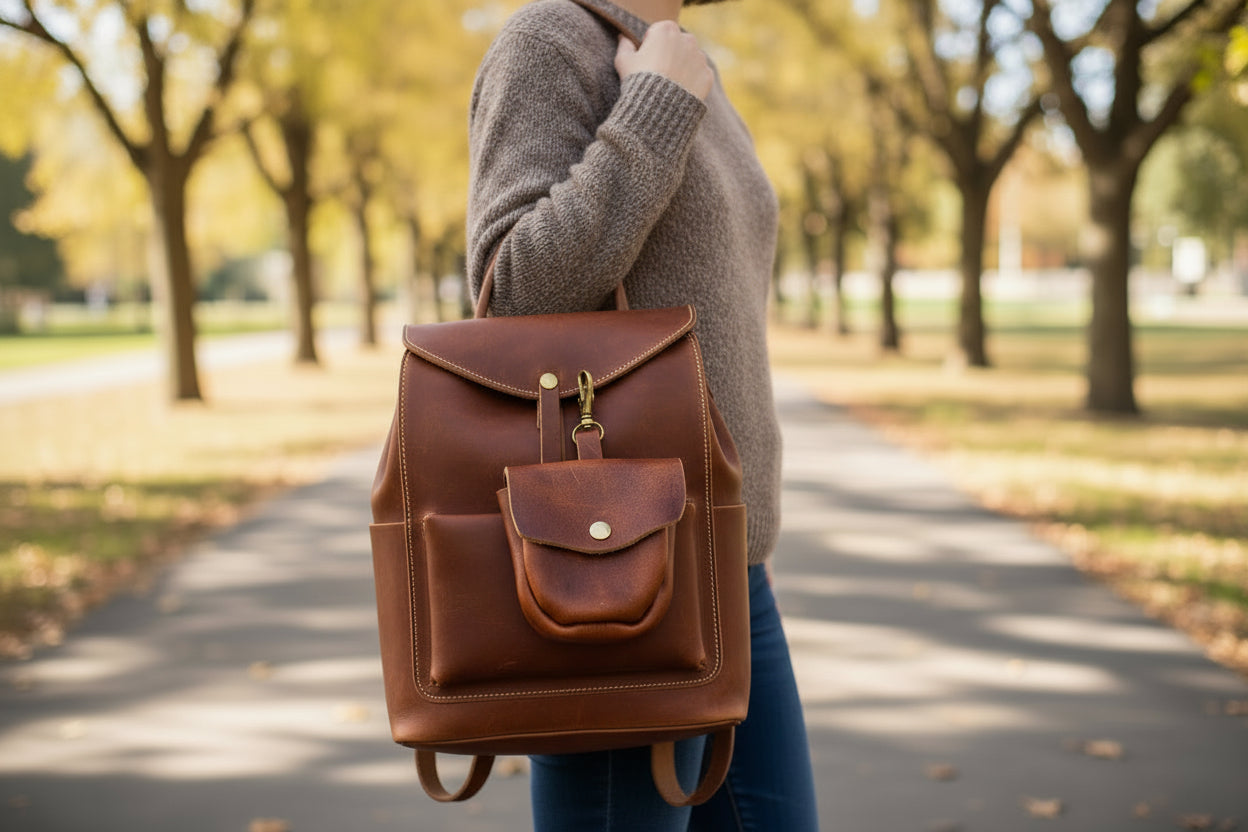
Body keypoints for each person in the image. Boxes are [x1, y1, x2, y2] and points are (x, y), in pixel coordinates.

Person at [466, 0, 820, 828]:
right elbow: (511, 300)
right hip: (616, 555)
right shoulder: (549, 42)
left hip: (731, 563)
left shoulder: (678, 56)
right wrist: (653, 112)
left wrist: (668, 90)